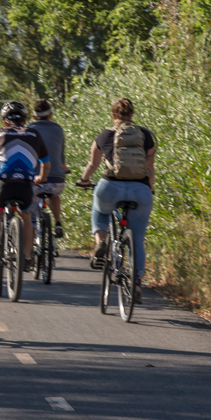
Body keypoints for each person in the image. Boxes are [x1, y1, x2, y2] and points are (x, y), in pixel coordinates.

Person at [76, 97, 155, 304]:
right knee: (137, 240)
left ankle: (101, 242)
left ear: (113, 115)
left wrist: (84, 180)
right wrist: (150, 188)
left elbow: (92, 165)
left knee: (100, 210)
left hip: (111, 187)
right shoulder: (145, 135)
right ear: (132, 114)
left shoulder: (103, 136)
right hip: (140, 189)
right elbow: (150, 168)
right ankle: (136, 284)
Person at [0, 101, 50, 272]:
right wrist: (41, 178)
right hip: (26, 184)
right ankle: (27, 258)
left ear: (5, 121)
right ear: (25, 119)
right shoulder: (34, 134)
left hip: (5, 183)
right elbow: (46, 163)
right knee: (25, 216)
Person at [26, 99, 69, 238]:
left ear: (34, 116)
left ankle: (29, 252)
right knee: (54, 194)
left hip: (34, 182)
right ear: (50, 114)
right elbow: (60, 156)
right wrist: (64, 169)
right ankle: (57, 222)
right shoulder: (58, 129)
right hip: (57, 181)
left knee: (30, 220)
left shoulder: (29, 130)